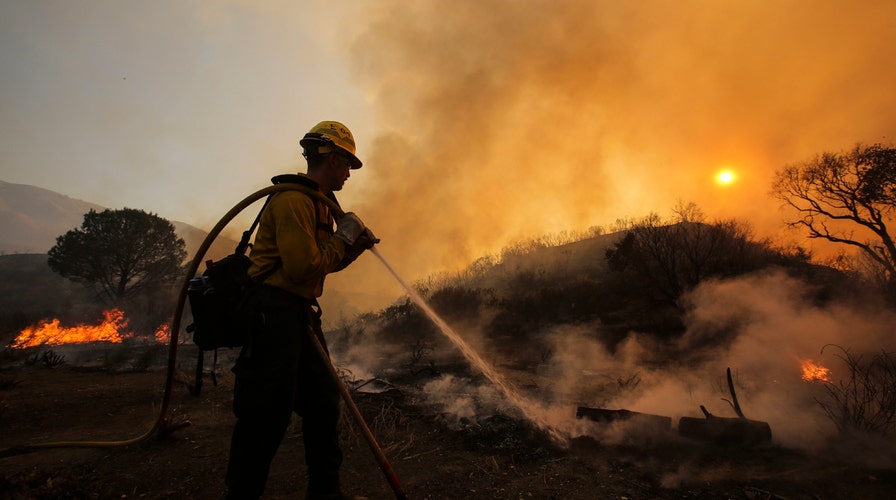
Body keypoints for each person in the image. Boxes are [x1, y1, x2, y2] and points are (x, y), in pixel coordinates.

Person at [225, 121, 375, 500]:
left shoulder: (320, 204)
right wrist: (343, 237)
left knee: (323, 402)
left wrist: (352, 247)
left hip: (299, 313)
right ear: (333, 159)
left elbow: (322, 263)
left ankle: (326, 493)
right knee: (265, 414)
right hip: (272, 314)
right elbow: (302, 267)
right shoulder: (293, 200)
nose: (348, 173)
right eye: (347, 164)